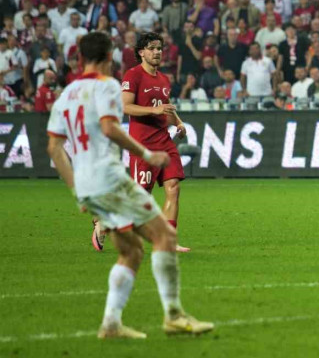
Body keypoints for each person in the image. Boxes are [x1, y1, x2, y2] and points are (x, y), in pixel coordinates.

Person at [46, 31, 212, 339]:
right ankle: (174, 315)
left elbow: (55, 149)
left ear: (80, 58)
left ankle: (111, 323)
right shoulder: (109, 85)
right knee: (163, 234)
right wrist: (146, 153)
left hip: (87, 184)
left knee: (132, 251)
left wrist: (76, 190)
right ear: (109, 57)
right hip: (110, 178)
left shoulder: (66, 95)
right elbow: (111, 126)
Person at [121, 32, 190, 253]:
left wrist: (178, 122)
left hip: (164, 141)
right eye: (152, 48)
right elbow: (126, 107)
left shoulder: (164, 79)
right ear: (141, 52)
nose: (157, 52)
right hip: (143, 146)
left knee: (173, 187)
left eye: (159, 48)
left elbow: (166, 106)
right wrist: (154, 109)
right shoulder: (133, 76)